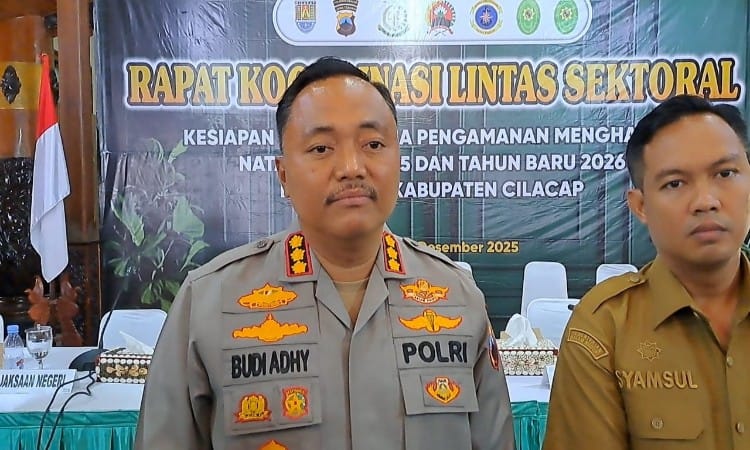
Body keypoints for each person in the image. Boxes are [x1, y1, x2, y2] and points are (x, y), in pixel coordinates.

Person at [134, 57, 515, 450]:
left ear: (399, 159)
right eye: (321, 148)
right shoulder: (208, 303)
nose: (351, 167)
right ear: (283, 174)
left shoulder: (458, 298)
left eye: (373, 145)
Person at [543, 94, 750, 450]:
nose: (706, 201)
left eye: (725, 174)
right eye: (675, 183)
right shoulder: (604, 328)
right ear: (640, 206)